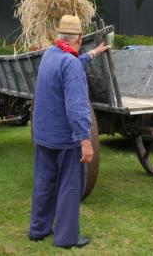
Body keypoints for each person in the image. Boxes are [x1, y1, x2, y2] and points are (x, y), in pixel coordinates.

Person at [29, 14, 110, 248]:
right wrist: (85, 140)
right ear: (80, 38)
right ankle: (66, 238)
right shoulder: (70, 64)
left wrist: (93, 54)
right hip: (66, 140)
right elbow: (77, 107)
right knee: (69, 187)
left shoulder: (50, 55)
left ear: (59, 37)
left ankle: (38, 230)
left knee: (44, 184)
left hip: (43, 136)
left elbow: (70, 65)